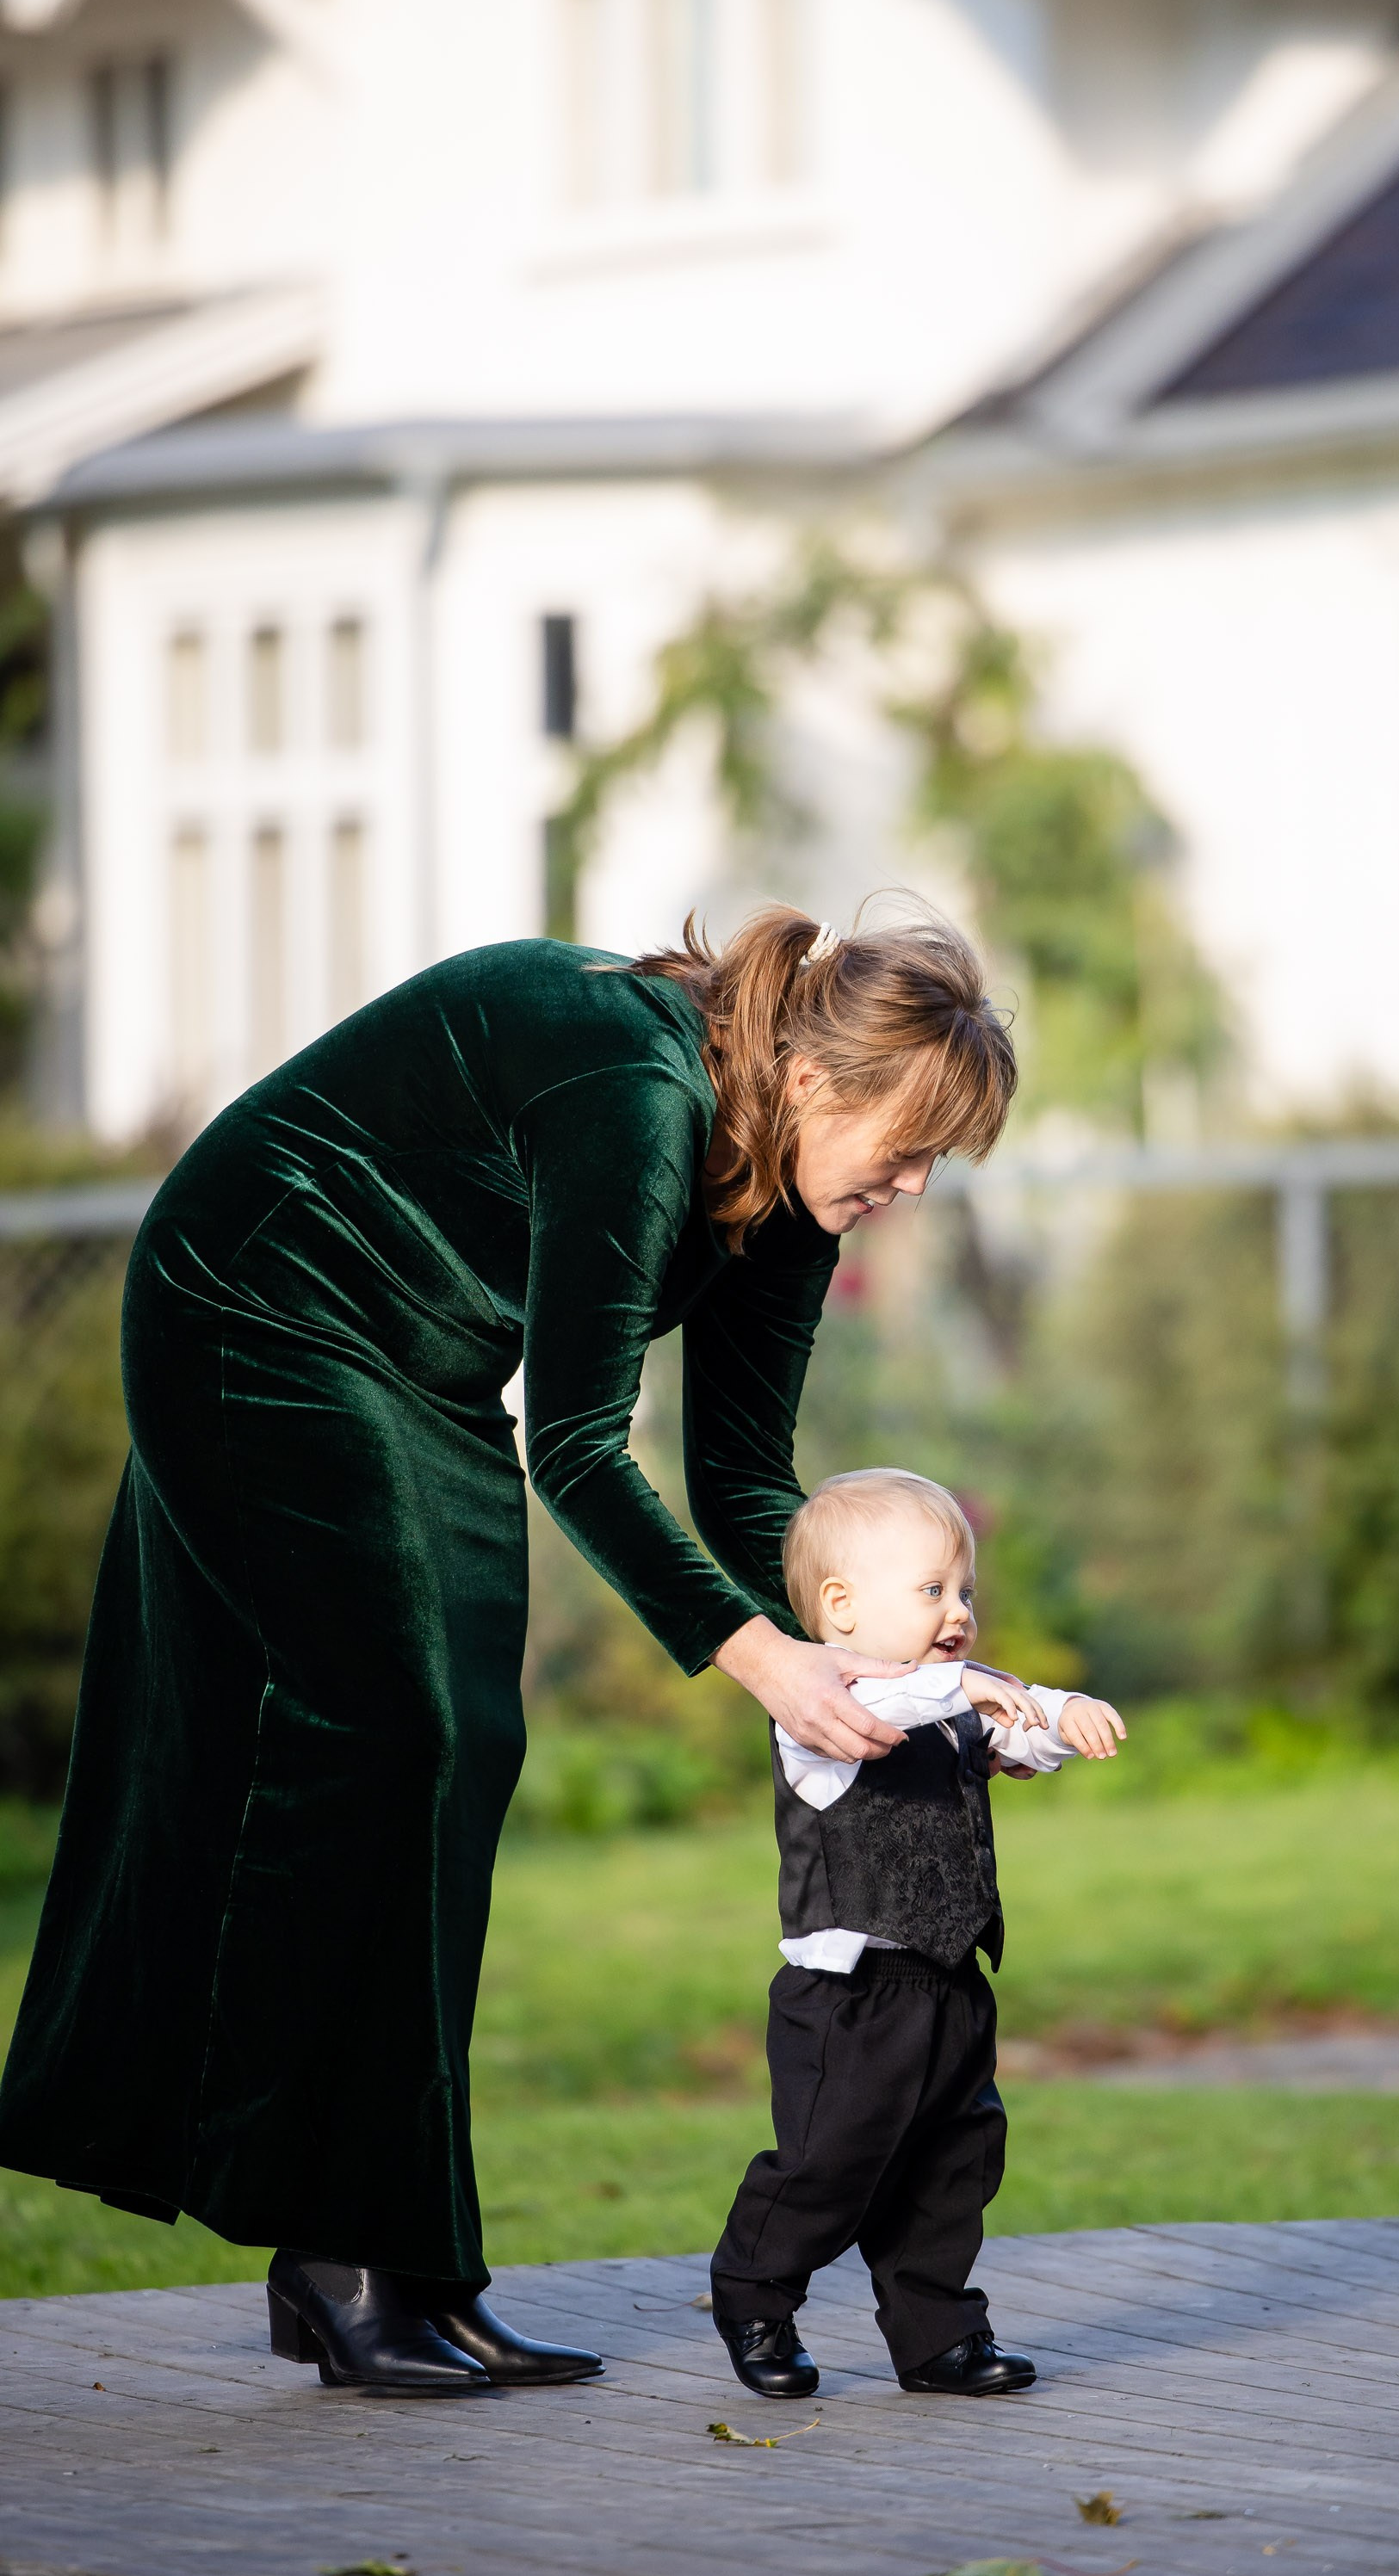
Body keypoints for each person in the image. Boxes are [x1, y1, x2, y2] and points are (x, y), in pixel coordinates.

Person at [0, 910, 1015, 2394]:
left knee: (464, 1751)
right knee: (393, 1739)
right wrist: (761, 1663)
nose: (915, 1183)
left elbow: (746, 1483)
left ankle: (408, 2262)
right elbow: (585, 1446)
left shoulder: (796, 1196)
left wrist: (875, 1668)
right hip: (257, 1300)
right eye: (910, 1143)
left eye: (939, 1159)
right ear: (812, 1079)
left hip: (419, 1364)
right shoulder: (640, 1095)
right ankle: (343, 2264)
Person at [709, 1467, 1125, 2401]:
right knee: (831, 2161)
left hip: (949, 1978)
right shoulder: (813, 1710)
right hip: (850, 1995)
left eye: (965, 1591)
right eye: (933, 1589)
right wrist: (975, 1685)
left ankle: (939, 2336)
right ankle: (754, 2295)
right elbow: (898, 1705)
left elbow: (1015, 1735)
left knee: (954, 2162)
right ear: (841, 1608)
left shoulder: (952, 1707)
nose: (958, 1611)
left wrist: (1061, 1716)